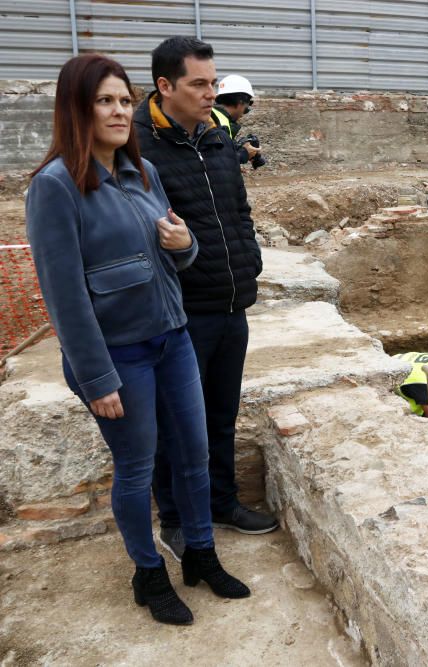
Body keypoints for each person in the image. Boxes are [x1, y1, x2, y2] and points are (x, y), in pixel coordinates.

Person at [25, 54, 250, 626]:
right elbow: (64, 296)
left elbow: (178, 253)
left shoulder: (142, 173)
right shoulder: (55, 188)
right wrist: (97, 378)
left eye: (125, 100)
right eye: (105, 100)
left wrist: (185, 247)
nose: (120, 111)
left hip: (172, 338)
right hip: (120, 354)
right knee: (135, 467)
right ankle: (148, 573)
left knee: (195, 455)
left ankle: (200, 553)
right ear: (76, 108)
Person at [133, 36, 277, 563]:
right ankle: (174, 517)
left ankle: (222, 501)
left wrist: (250, 259)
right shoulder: (137, 147)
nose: (210, 93)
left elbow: (238, 208)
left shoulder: (217, 136)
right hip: (181, 311)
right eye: (199, 84)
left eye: (214, 82)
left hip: (231, 301)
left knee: (221, 414)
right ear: (165, 86)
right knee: (175, 423)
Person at [211, 74, 262, 166]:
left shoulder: (218, 117)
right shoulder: (217, 122)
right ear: (240, 102)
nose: (244, 113)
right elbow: (214, 160)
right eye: (247, 107)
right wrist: (244, 154)